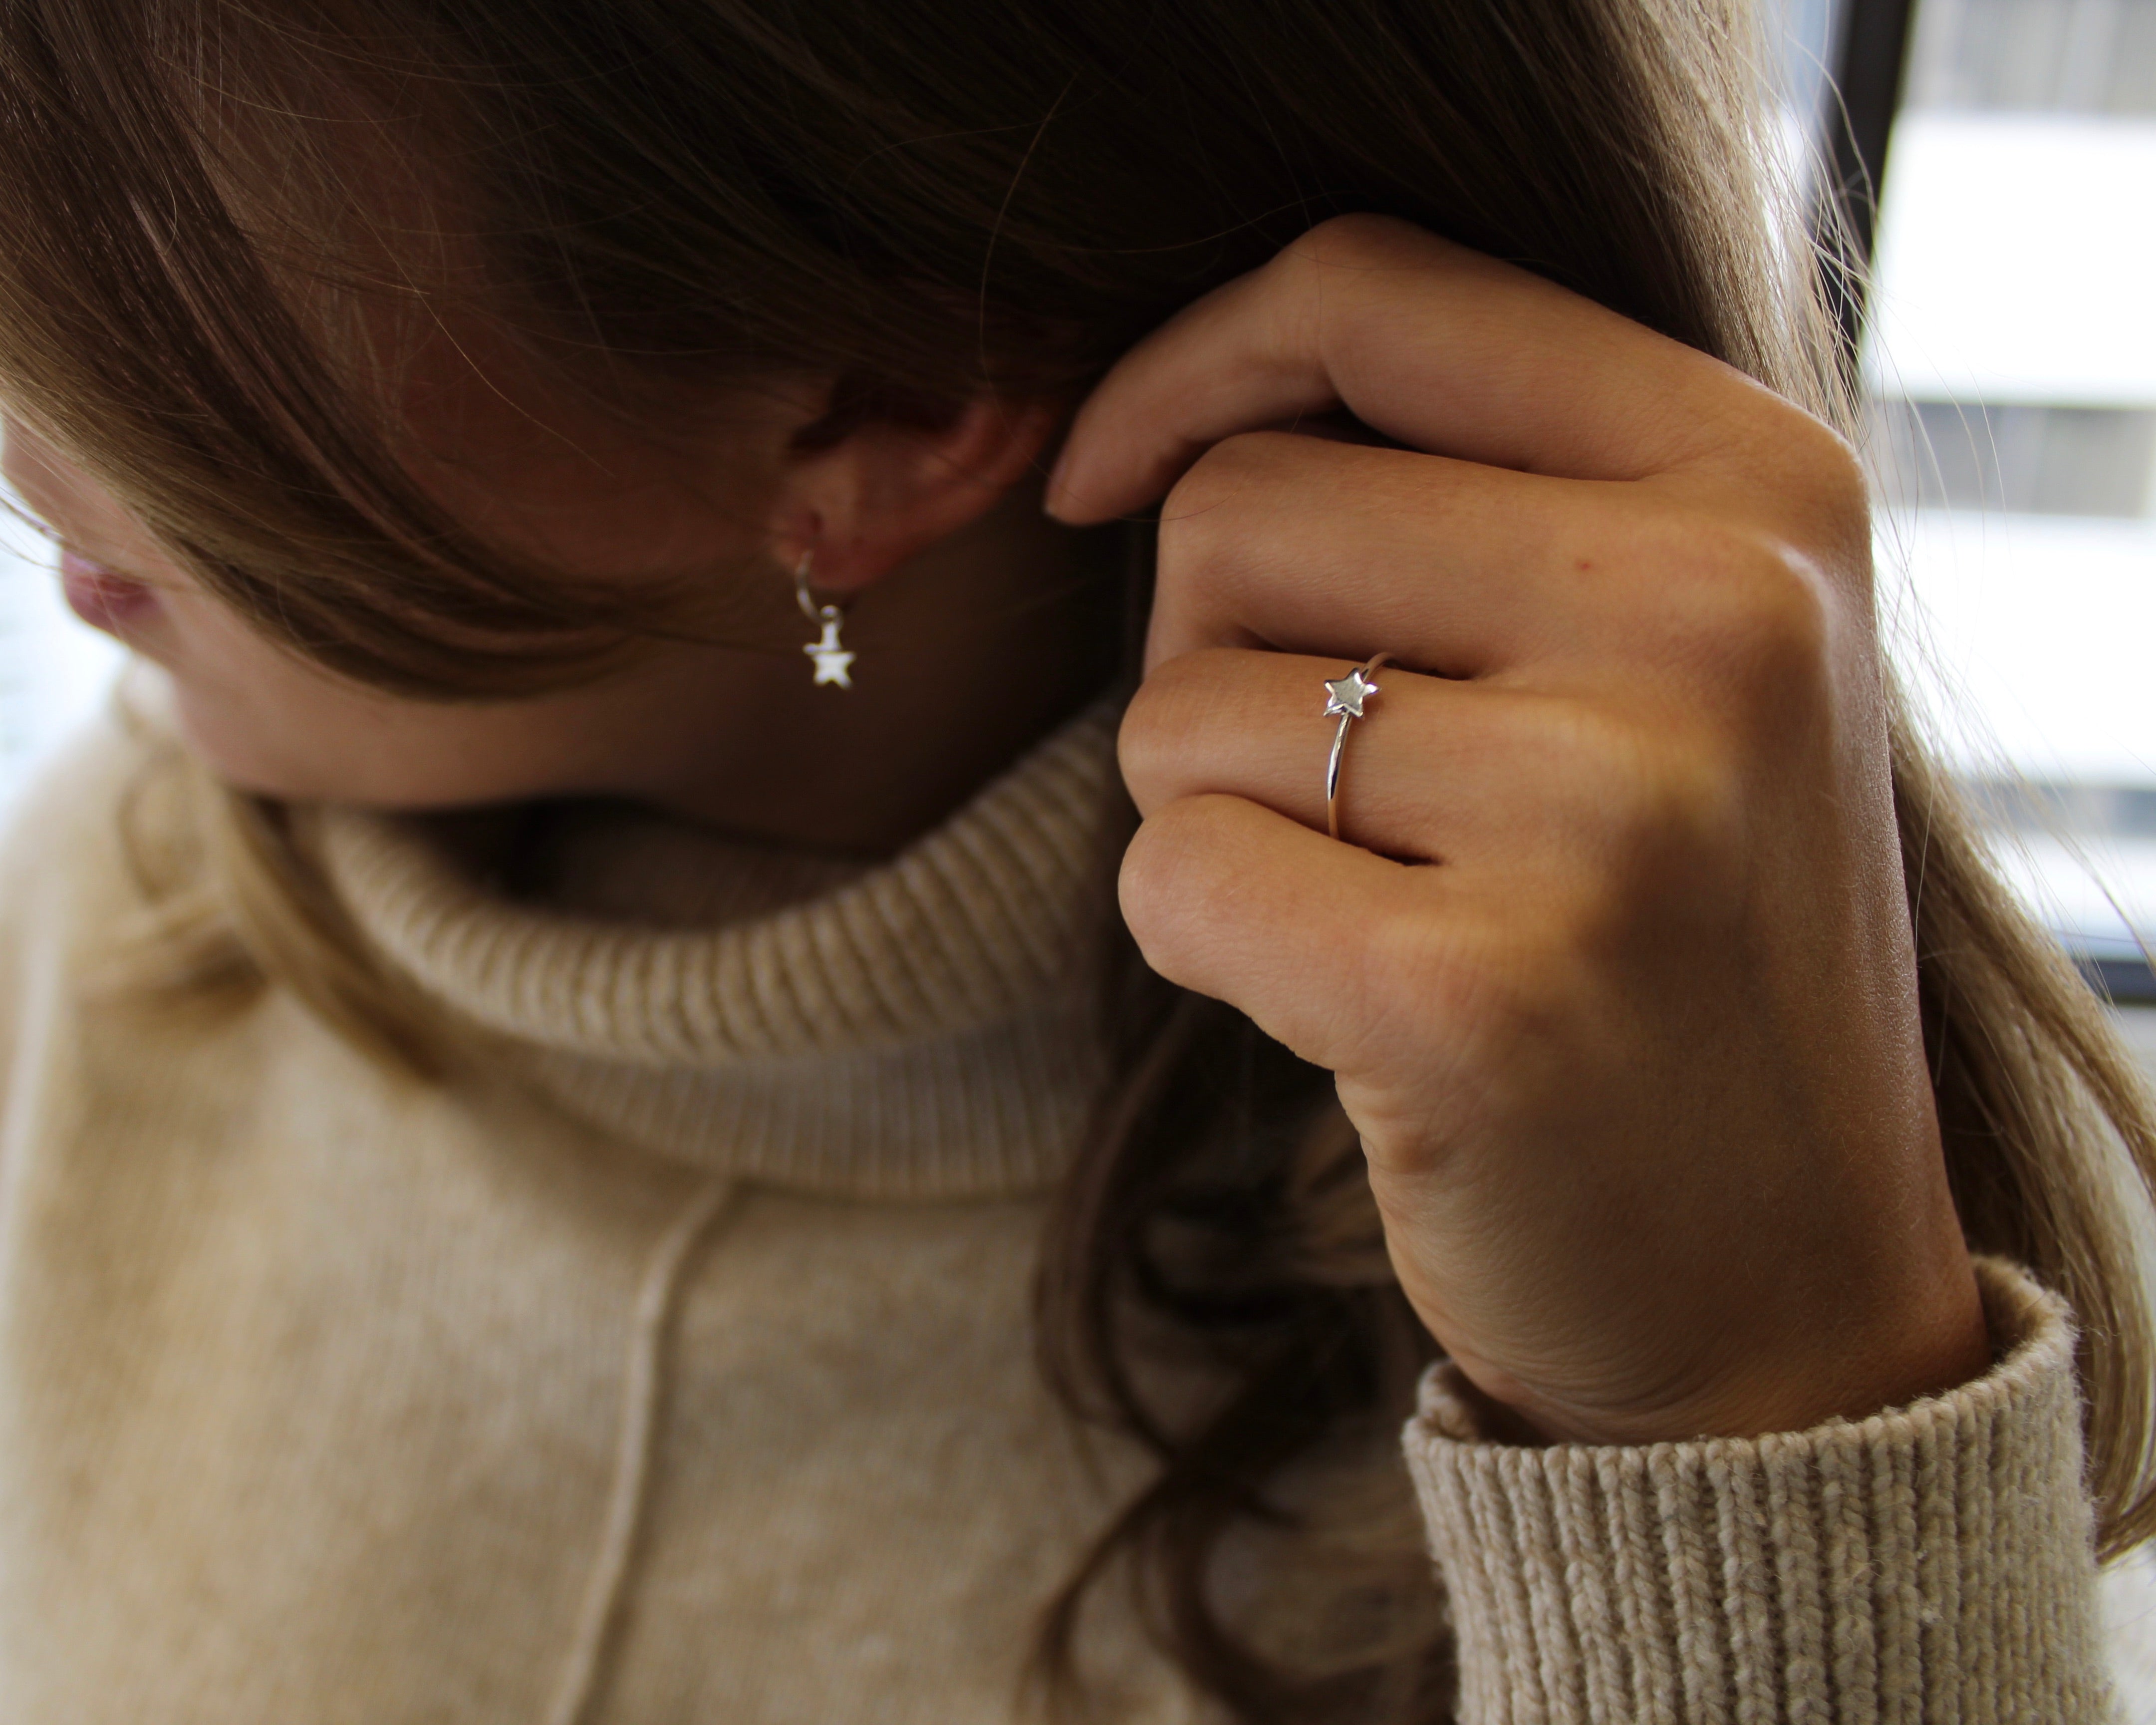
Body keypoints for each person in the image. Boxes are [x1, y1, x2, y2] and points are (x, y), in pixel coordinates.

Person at [0, 1, 2142, 1720]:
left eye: (127, 245)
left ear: (891, 408)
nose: (26, 427)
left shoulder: (1715, 1276)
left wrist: (1758, 1476)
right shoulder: (120, 907)